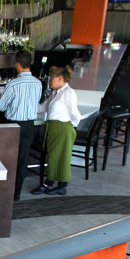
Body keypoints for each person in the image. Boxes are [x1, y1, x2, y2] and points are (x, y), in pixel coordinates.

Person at [0, 50, 42, 201]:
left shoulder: (13, 84)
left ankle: (6, 191)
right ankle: (16, 194)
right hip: (29, 125)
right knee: (23, 158)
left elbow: (0, 107)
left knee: (9, 158)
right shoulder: (38, 83)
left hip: (14, 125)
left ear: (18, 65)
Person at [31, 66, 81, 196]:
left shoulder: (68, 93)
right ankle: (50, 182)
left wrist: (71, 128)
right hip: (53, 128)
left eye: (51, 77)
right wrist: (27, 107)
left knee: (62, 157)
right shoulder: (55, 92)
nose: (49, 80)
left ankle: (61, 186)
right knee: (53, 157)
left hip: (63, 128)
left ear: (60, 78)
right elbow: (43, 107)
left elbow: (76, 115)